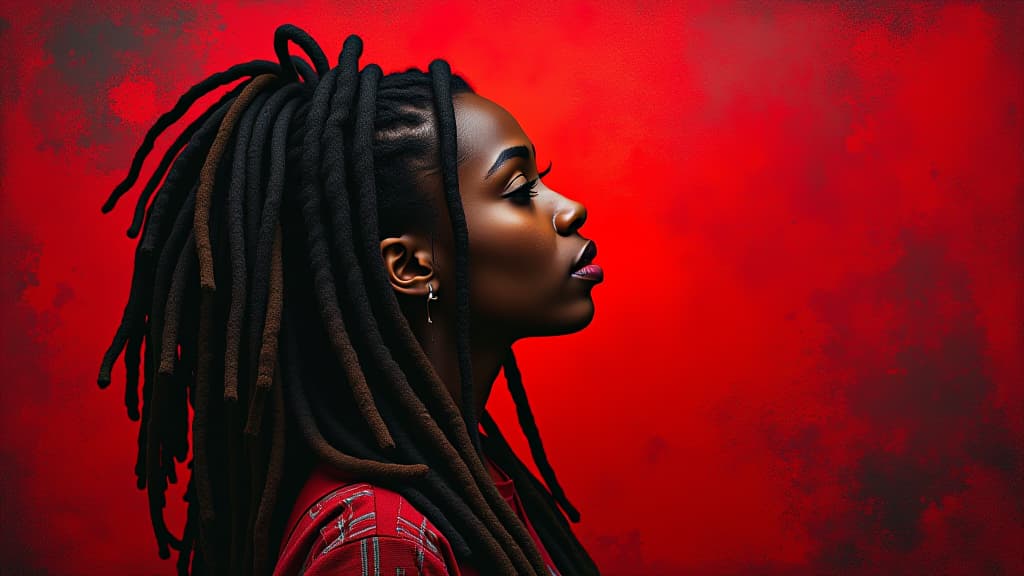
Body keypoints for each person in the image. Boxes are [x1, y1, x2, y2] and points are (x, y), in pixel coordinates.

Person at [96, 24, 603, 576]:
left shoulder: (468, 478)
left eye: (543, 177)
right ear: (409, 266)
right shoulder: (383, 545)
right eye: (518, 188)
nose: (570, 208)